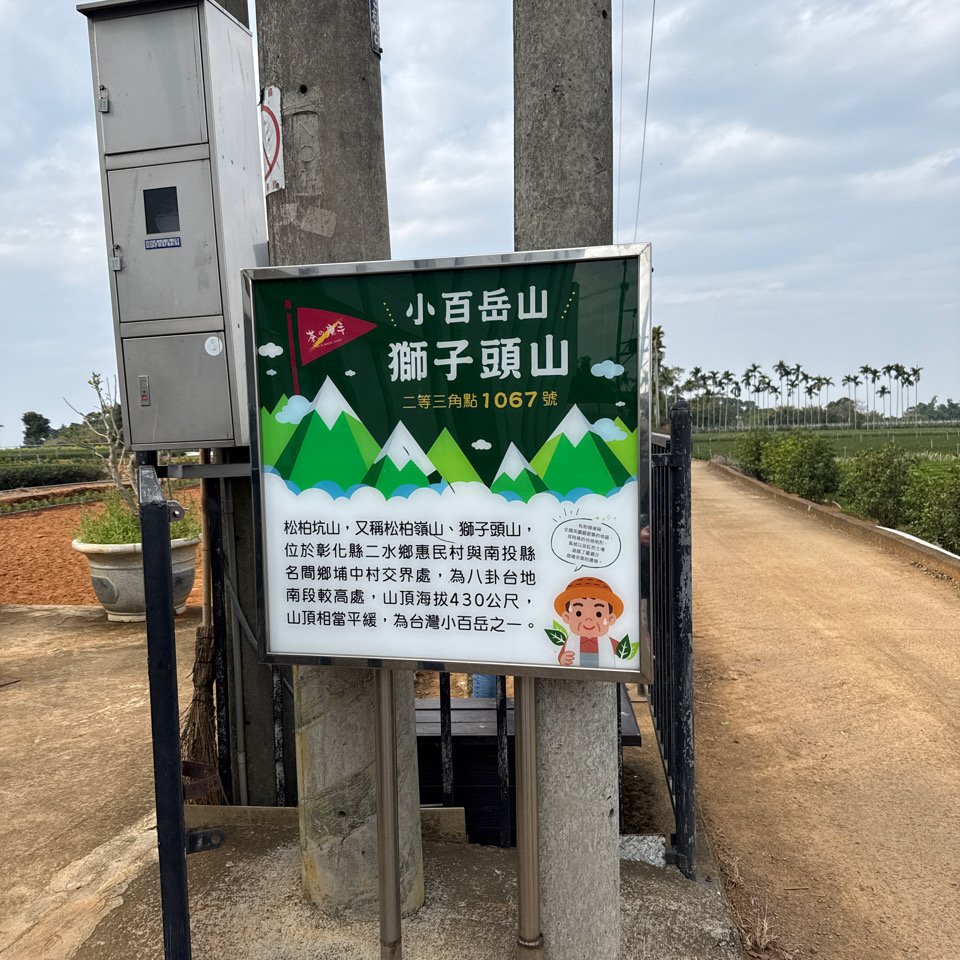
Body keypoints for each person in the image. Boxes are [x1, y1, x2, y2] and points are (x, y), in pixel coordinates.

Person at [553, 577, 624, 668]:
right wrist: (562, 659)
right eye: (579, 613)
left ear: (610, 619)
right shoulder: (571, 641)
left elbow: (622, 651)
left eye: (598, 614)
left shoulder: (608, 642)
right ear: (567, 617)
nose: (588, 620)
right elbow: (562, 655)